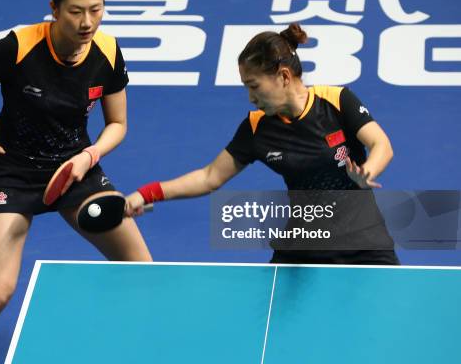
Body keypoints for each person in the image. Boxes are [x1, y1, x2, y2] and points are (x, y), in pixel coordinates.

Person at [0, 0, 152, 364]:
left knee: (142, 268)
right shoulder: (19, 46)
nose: (87, 21)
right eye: (76, 11)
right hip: (14, 171)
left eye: (96, 9)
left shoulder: (108, 51)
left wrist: (88, 156)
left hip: (76, 169)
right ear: (54, 9)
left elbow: (119, 124)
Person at [126, 23, 399, 265]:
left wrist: (367, 173)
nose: (249, 97)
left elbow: (381, 144)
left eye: (253, 86)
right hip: (303, 247)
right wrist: (147, 193)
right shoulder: (257, 126)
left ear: (283, 76)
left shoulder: (337, 101)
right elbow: (209, 177)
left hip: (364, 243)